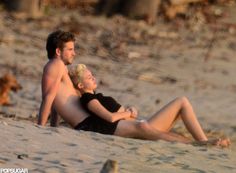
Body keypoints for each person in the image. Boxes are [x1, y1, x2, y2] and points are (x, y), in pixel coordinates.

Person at [38, 30, 230, 147]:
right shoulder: (55, 65)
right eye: (70, 49)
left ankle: (202, 142)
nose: (74, 53)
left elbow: (54, 100)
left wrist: (52, 128)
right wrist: (41, 129)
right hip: (94, 126)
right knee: (150, 125)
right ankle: (201, 144)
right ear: (57, 51)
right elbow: (48, 98)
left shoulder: (59, 70)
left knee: (179, 105)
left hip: (98, 124)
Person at [68, 63, 231, 147]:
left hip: (139, 125)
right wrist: (128, 111)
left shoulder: (96, 96)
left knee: (182, 102)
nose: (93, 78)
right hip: (140, 128)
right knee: (182, 102)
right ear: (81, 86)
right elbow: (110, 118)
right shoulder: (88, 99)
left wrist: (129, 112)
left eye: (92, 75)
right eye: (89, 78)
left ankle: (205, 142)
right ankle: (203, 143)